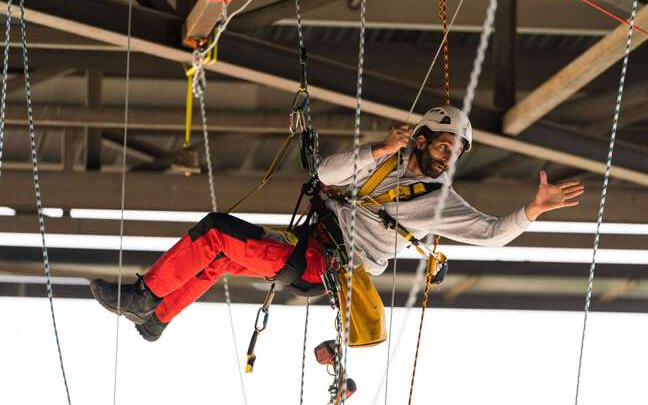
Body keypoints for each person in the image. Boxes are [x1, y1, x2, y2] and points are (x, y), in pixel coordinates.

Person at [90, 105, 584, 343]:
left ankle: (144, 297)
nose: (446, 158)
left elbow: (492, 232)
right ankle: (156, 317)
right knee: (219, 252)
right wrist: (382, 149)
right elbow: (325, 173)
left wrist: (533, 211)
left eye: (454, 154)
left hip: (322, 264)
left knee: (218, 232)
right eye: (441, 146)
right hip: (310, 244)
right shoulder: (382, 161)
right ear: (421, 139)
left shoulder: (440, 202)